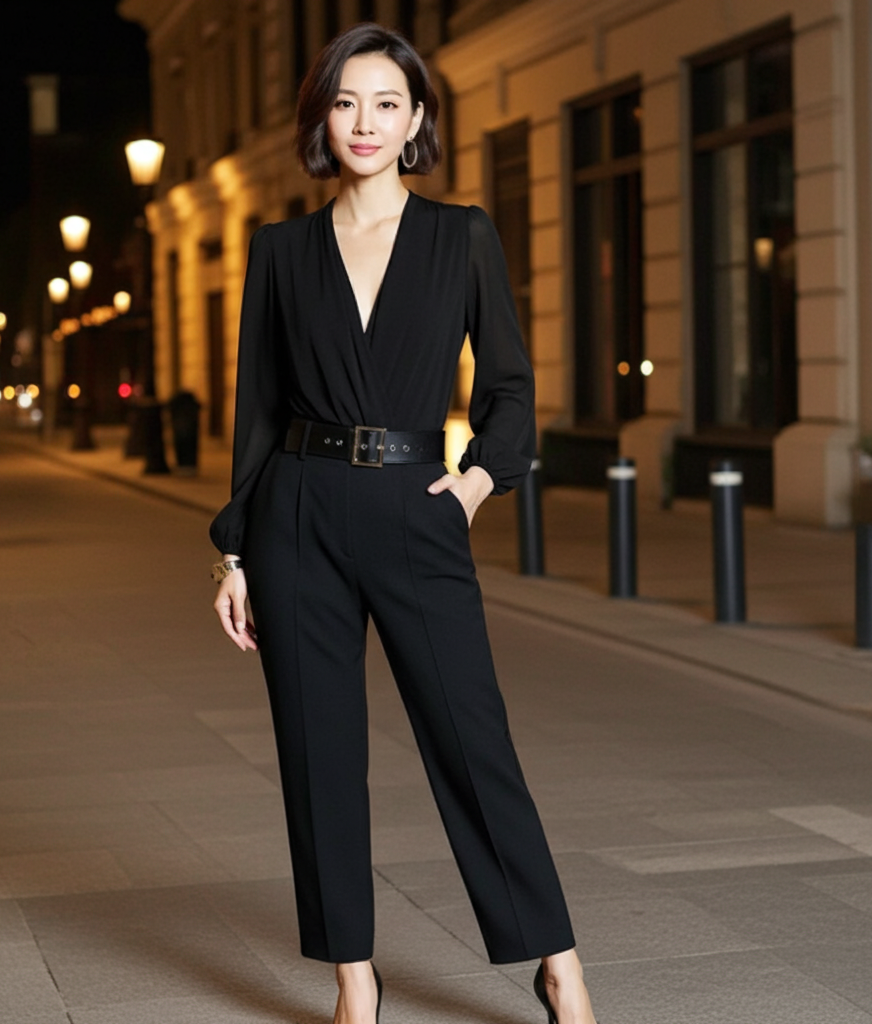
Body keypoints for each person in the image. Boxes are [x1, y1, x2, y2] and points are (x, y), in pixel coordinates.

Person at [211, 22, 597, 1024]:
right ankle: (353, 981)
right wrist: (236, 549)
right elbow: (255, 411)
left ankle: (557, 963)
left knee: (474, 742)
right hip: (297, 512)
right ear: (321, 120)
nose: (365, 121)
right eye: (345, 102)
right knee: (317, 757)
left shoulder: (459, 234)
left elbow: (510, 391)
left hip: (419, 507)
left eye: (387, 102)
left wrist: (474, 487)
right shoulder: (280, 252)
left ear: (419, 117)